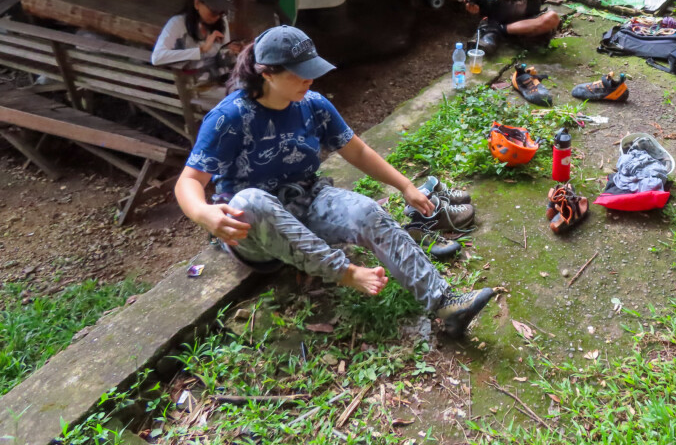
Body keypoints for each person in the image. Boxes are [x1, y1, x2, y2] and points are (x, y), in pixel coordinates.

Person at [173, 25, 494, 337]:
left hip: (307, 203)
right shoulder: (229, 117)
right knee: (249, 201)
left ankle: (445, 303)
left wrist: (406, 186)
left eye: (311, 70)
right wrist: (204, 214)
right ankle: (345, 272)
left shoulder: (313, 105)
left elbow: (358, 151)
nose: (309, 80)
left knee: (367, 211)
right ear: (267, 73)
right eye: (299, 73)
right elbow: (189, 181)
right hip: (256, 232)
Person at [151, 0, 234, 83]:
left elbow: (224, 57)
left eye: (222, 12)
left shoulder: (222, 21)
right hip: (185, 84)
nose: (217, 16)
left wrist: (233, 51)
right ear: (197, 4)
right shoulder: (178, 23)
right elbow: (157, 58)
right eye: (213, 11)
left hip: (213, 81)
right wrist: (200, 50)